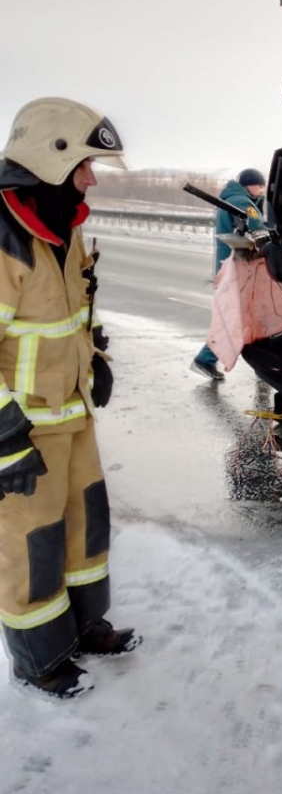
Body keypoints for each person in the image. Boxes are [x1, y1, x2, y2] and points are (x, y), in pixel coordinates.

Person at [0, 97, 140, 699]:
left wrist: (99, 362)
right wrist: (5, 434)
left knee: (86, 525)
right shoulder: (5, 239)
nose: (92, 177)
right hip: (25, 428)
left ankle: (84, 627)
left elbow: (79, 310)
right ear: (49, 158)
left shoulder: (66, 226)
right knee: (32, 542)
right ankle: (39, 658)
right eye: (85, 164)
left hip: (72, 411)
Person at [190, 168, 267, 381]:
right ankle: (205, 359)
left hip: (228, 267)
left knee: (246, 315)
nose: (262, 190)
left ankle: (264, 361)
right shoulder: (241, 202)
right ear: (249, 185)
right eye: (259, 186)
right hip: (236, 268)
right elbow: (257, 227)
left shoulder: (231, 199)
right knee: (235, 318)